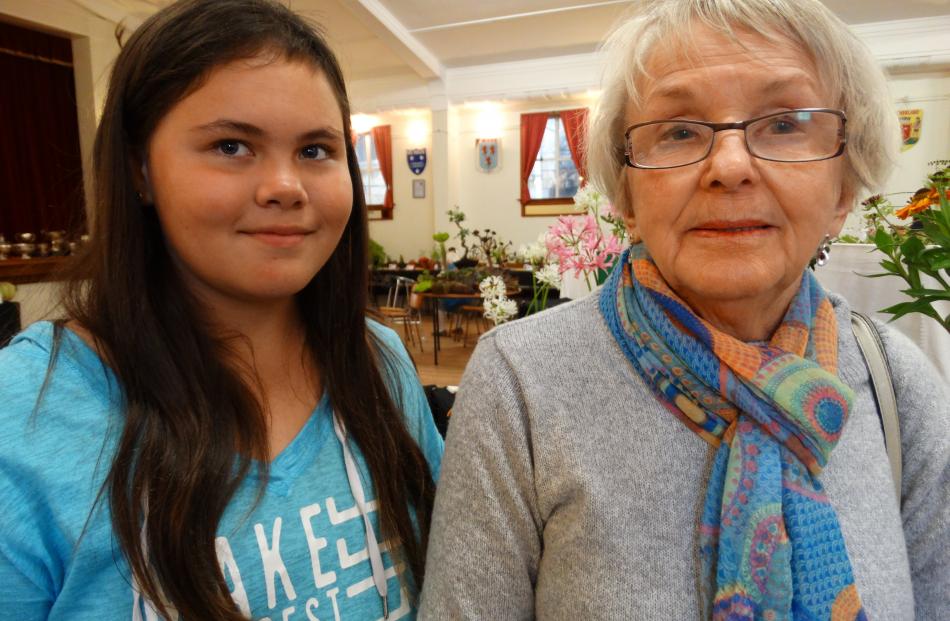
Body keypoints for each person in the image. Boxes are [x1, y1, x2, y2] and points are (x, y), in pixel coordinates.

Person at [419, 1, 949, 619]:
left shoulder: (897, 381)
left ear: (844, 189)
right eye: (678, 130)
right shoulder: (520, 384)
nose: (728, 166)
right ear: (627, 194)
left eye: (784, 123)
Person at [0, 1, 443, 618]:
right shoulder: (24, 414)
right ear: (140, 169)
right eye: (232, 145)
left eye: (317, 150)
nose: (285, 186)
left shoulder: (378, 363)